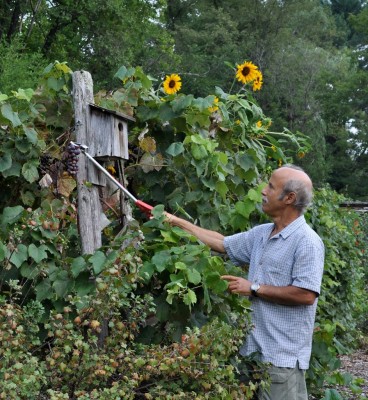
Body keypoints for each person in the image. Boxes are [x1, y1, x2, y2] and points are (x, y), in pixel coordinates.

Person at [166, 164, 325, 400]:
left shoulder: (307, 242)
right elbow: (222, 243)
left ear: (289, 198)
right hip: (252, 351)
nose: (263, 190)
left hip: (281, 359)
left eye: (271, 186)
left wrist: (253, 288)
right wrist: (177, 222)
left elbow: (306, 294)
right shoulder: (262, 233)